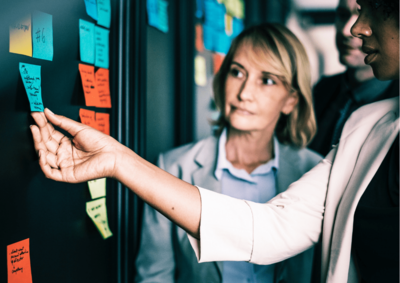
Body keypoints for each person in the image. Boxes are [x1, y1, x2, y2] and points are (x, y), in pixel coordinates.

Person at [30, 0, 398, 282]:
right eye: (237, 72)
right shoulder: (366, 126)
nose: (356, 27)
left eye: (373, 8)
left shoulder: (306, 162)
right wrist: (117, 159)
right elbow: (268, 230)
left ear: (291, 99)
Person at [135, 24, 321, 283]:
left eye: (266, 80)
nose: (244, 93)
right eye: (237, 72)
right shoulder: (175, 167)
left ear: (291, 99)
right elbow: (155, 276)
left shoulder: (314, 173)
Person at [308, 0, 398, 156]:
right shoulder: (321, 90)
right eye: (342, 15)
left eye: (368, 17)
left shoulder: (396, 104)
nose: (346, 30)